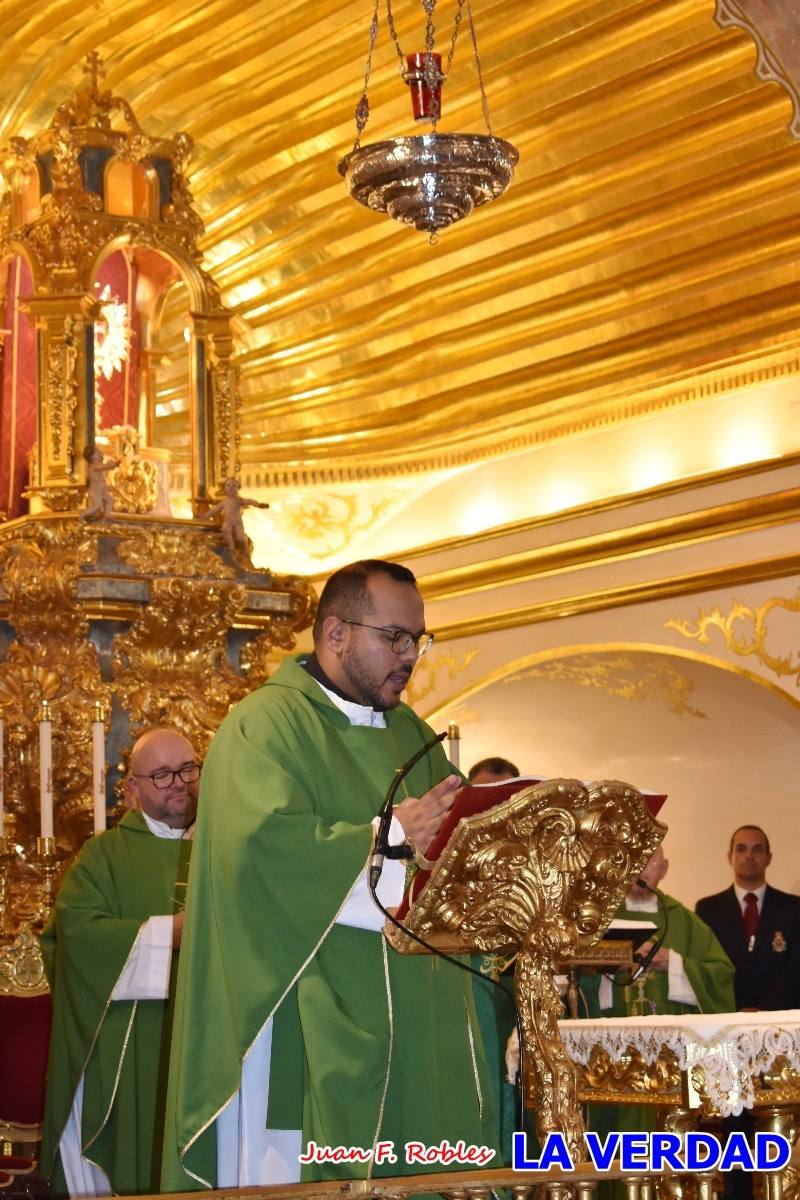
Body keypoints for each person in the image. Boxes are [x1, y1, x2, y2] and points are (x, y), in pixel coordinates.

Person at [161, 559, 499, 1191]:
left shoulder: (415, 736)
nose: (410, 657)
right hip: (306, 1011)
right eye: (394, 638)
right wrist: (389, 836)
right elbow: (258, 859)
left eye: (418, 640)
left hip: (420, 1022)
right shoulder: (263, 726)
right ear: (336, 634)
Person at [39, 728, 201, 1198]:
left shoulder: (226, 850)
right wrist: (166, 933)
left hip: (212, 1036)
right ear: (132, 789)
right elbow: (76, 938)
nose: (179, 783)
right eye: (162, 774)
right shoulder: (104, 856)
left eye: (188, 769)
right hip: (132, 1043)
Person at [583, 845, 735, 1018]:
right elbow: (572, 971)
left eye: (650, 859)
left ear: (664, 868)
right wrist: (614, 962)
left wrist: (672, 962)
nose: (640, 867)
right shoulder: (597, 918)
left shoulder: (683, 919)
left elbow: (721, 973)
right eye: (635, 858)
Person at [695, 825, 800, 1011]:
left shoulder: (793, 908)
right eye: (741, 849)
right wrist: (736, 1011)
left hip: (781, 1019)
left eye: (757, 849)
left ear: (769, 858)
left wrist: (765, 1011)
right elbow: (705, 969)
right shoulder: (708, 910)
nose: (749, 856)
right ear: (730, 857)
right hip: (725, 1018)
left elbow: (795, 970)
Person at [200, 477, 269, 559]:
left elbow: (250, 501)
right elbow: (214, 510)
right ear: (224, 488)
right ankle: (231, 546)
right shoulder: (224, 502)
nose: (231, 488)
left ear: (238, 488)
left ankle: (245, 551)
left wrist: (260, 505)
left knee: (240, 538)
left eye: (234, 486)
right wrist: (204, 516)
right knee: (226, 530)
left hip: (237, 522)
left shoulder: (239, 500)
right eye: (228, 485)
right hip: (228, 522)